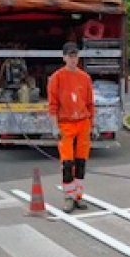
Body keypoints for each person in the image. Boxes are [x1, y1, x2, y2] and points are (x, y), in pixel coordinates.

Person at [48, 42, 95, 213]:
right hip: (66, 124)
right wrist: (55, 127)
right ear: (64, 57)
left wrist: (93, 126)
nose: (73, 59)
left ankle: (78, 196)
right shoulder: (57, 78)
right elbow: (52, 105)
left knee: (81, 161)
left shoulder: (85, 78)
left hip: (83, 123)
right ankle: (68, 197)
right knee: (67, 162)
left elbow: (90, 104)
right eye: (70, 56)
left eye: (75, 56)